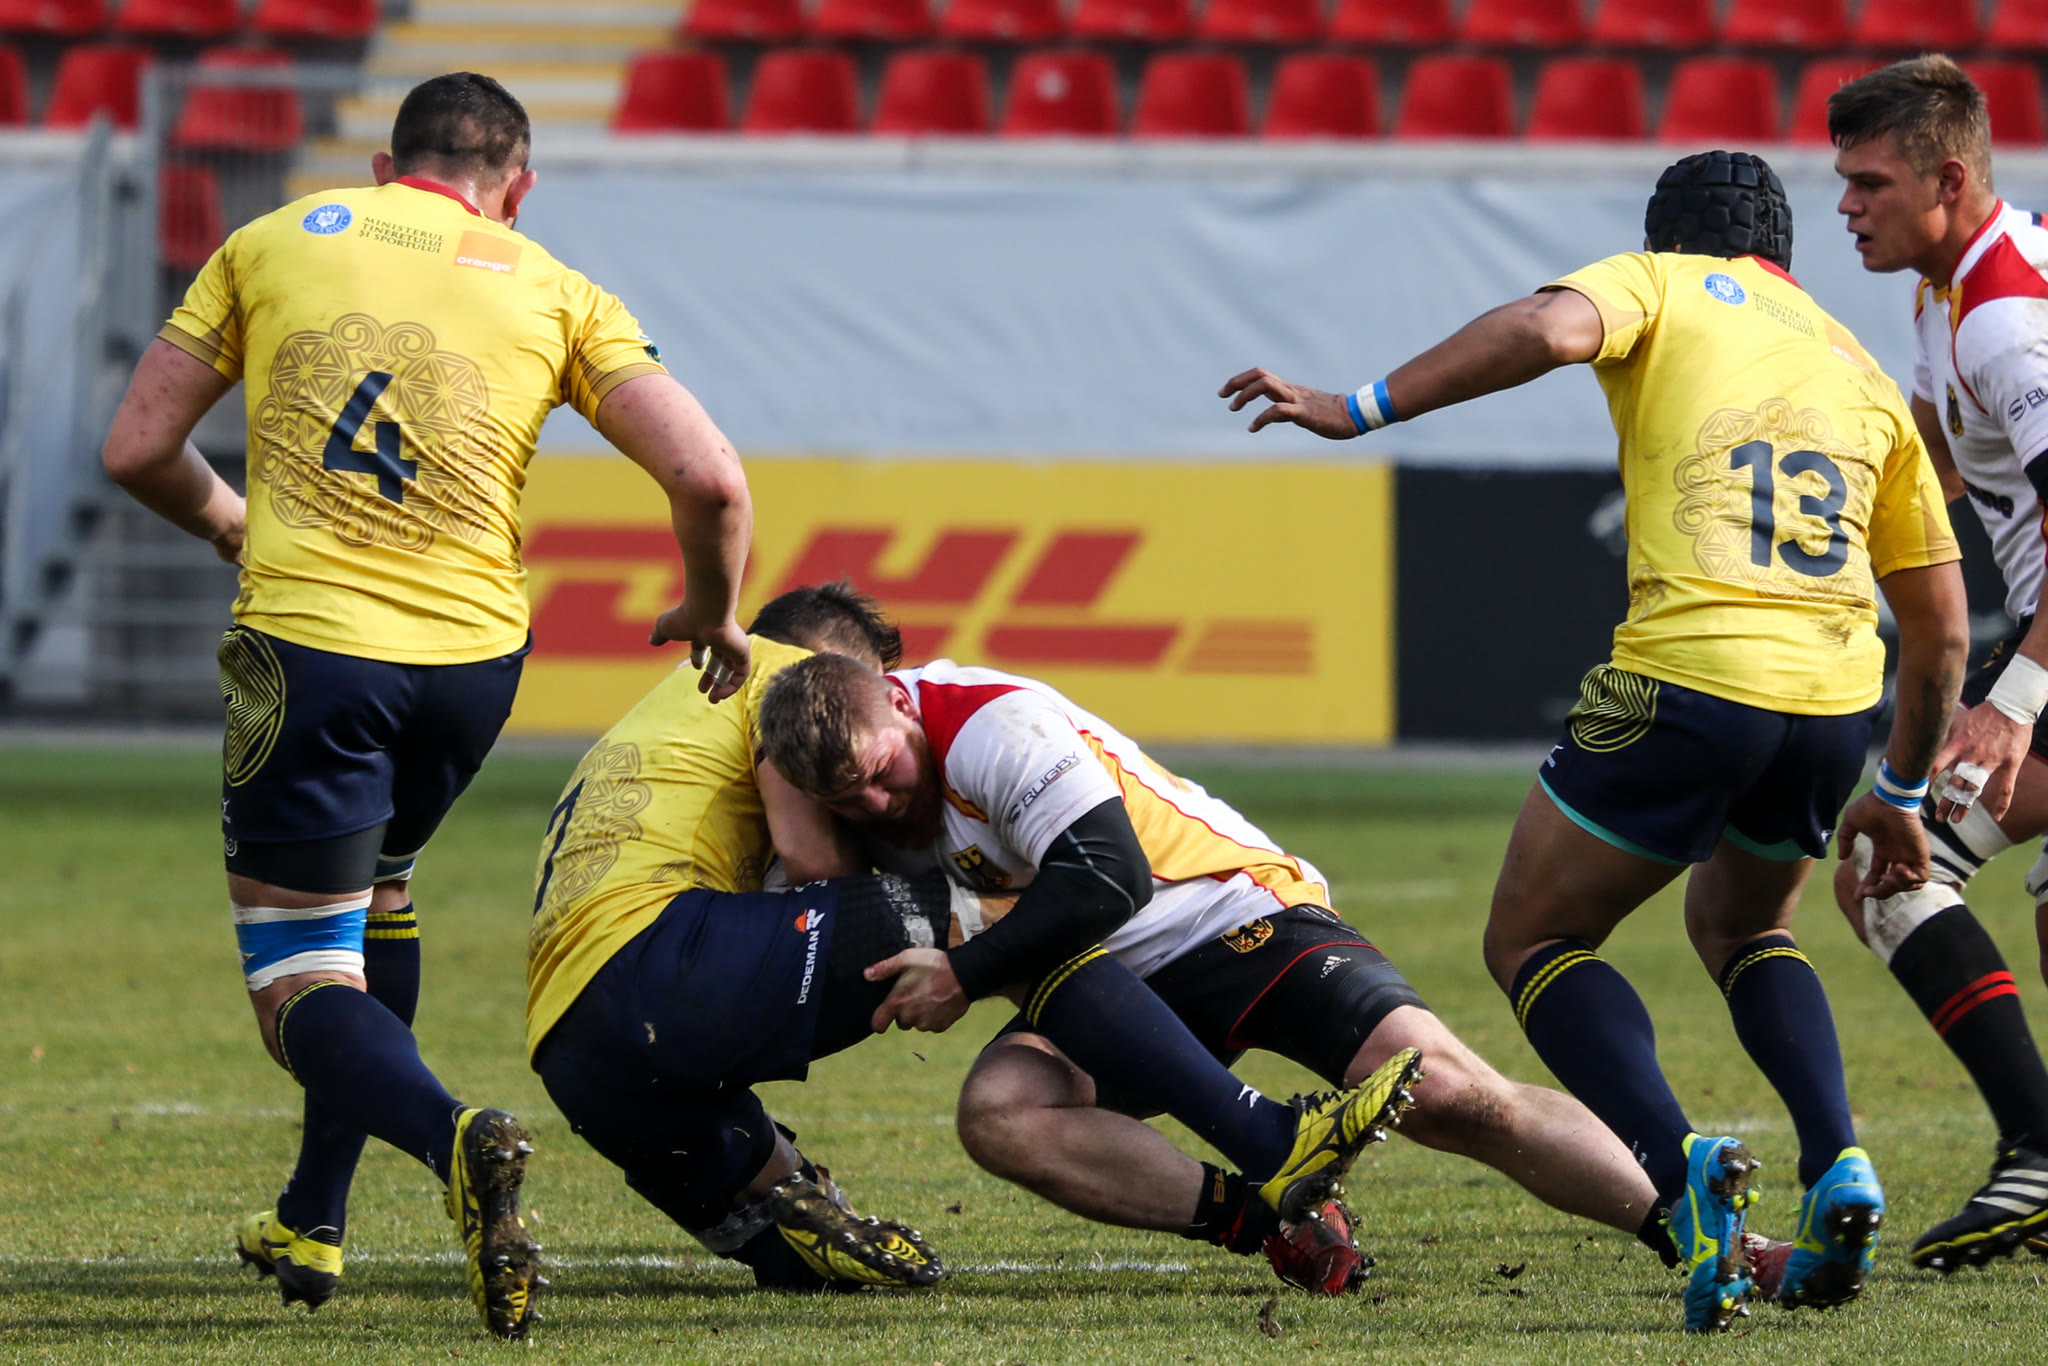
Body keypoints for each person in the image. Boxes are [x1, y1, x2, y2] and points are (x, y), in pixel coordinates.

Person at [1219, 150, 1987, 1330]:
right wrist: (1896, 786)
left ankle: (1680, 1163)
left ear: (1664, 236)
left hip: (1686, 674)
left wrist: (1355, 406)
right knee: (1745, 926)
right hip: (1832, 699)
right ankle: (1837, 1154)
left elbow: (1545, 326)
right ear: (1780, 251)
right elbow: (1940, 628)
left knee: (1533, 936)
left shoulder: (1660, 281)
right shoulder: (1860, 369)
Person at [98, 72, 752, 1338]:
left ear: (387, 166)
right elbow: (712, 480)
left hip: (312, 652)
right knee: (379, 890)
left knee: (297, 976)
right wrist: (714, 611)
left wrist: (230, 521)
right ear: (517, 185)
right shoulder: (558, 288)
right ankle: (314, 1214)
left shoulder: (270, 240)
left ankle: (456, 1135)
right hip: (470, 667)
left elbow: (135, 447)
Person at [528, 582, 1421, 1294]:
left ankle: (1271, 1224)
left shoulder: (665, 709)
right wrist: (952, 953)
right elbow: (816, 865)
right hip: (662, 952)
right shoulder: (780, 685)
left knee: (779, 1233)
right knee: (1008, 919)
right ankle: (1267, 1138)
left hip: (567, 1039)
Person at [755, 652, 1681, 1299]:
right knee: (1001, 1112)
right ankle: (1274, 1219)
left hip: (1235, 915)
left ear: (898, 699)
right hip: (1107, 987)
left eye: (882, 771)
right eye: (848, 798)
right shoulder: (832, 794)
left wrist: (962, 972)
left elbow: (1106, 879)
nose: (878, 801)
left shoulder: (992, 726)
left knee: (1454, 1097)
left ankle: (1689, 1231)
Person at [1827, 54, 2048, 1272]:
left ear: (1947, 179)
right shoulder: (1946, 293)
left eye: (1867, 183)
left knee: (1888, 863)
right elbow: (1944, 463)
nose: (1844, 206)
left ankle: (2036, 1154)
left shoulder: (2004, 322)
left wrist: (2011, 699)